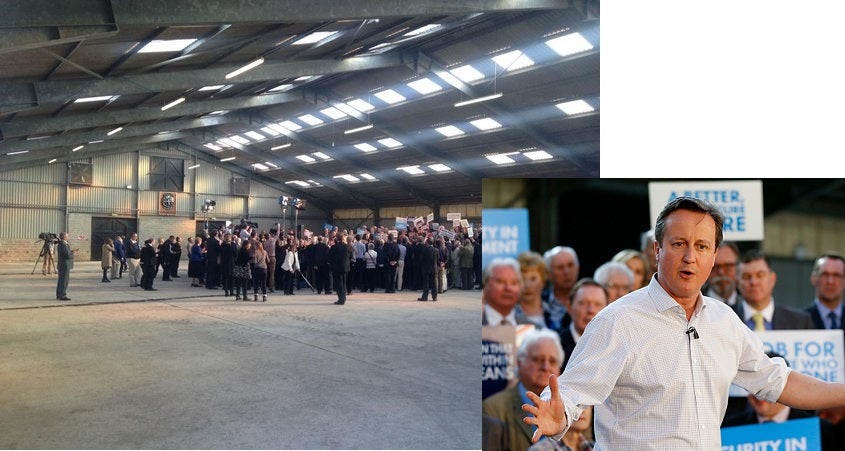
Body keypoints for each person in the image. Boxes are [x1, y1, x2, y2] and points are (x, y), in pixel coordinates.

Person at [522, 196, 845, 449]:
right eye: (679, 244)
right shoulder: (617, 321)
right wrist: (557, 414)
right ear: (657, 250)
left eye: (702, 246)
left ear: (714, 256)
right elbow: (572, 393)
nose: (690, 256)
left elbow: (779, 381)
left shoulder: (724, 322)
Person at [722, 352, 842, 450]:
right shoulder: (728, 429)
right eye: (754, 387)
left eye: (768, 388)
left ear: (786, 387)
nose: (759, 395)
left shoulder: (819, 428)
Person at [483, 329, 565, 451]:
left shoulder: (570, 409)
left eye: (553, 361)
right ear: (519, 363)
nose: (546, 367)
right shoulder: (493, 408)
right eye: (537, 359)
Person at [733, 249, 814, 331]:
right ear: (737, 282)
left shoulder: (801, 322)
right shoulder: (726, 319)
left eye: (760, 275)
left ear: (772, 279)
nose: (754, 282)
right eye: (746, 276)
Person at [558, 278, 608, 371]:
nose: (591, 310)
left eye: (597, 304)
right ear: (569, 307)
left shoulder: (611, 347)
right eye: (583, 303)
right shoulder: (555, 344)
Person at [483, 257, 533, 326]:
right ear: (486, 285)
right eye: (500, 281)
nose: (508, 288)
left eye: (514, 283)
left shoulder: (533, 330)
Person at [541, 246, 580, 332]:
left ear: (578, 267)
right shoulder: (539, 302)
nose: (566, 271)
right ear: (548, 274)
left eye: (570, 265)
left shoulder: (589, 299)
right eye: (560, 267)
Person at [516, 250, 549, 329]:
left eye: (533, 279)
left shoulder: (555, 312)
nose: (527, 285)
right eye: (522, 279)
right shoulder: (509, 315)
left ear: (543, 281)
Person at [703, 241, 741, 306]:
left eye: (727, 266)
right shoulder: (694, 304)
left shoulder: (749, 302)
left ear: (738, 268)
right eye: (715, 267)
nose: (721, 272)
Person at [329, 236, 352, 305]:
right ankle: (343, 297)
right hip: (345, 267)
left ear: (337, 239)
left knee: (338, 284)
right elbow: (350, 255)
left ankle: (341, 299)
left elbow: (330, 256)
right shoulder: (347, 246)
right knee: (344, 283)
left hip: (337, 267)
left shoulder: (334, 247)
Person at [56, 232, 76, 301]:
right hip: (65, 265)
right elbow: (67, 255)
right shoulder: (63, 244)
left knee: (61, 281)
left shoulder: (61, 244)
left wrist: (70, 251)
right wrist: (73, 254)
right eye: (67, 236)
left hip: (62, 265)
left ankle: (59, 294)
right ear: (64, 237)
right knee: (64, 281)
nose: (68, 237)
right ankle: (62, 295)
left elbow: (66, 253)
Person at [417, 238, 439, 302]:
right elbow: (438, 259)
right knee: (434, 283)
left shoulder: (424, 250)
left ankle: (425, 297)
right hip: (434, 268)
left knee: (426, 283)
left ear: (427, 242)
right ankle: (434, 297)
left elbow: (421, 259)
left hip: (426, 268)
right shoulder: (436, 250)